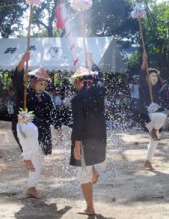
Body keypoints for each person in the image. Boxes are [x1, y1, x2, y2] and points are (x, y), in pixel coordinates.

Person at [70, 51, 106, 216]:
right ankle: (94, 171)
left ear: (78, 82)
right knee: (88, 166)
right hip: (99, 138)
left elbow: (78, 124)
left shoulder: (78, 98)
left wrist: (76, 145)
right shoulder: (99, 92)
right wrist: (92, 60)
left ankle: (90, 208)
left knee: (83, 177)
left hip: (84, 140)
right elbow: (100, 78)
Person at [139, 52, 169, 170]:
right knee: (161, 117)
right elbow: (141, 74)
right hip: (144, 115)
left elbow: (158, 107)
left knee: (155, 140)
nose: (155, 78)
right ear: (147, 77)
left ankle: (148, 161)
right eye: (152, 76)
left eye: (156, 76)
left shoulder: (156, 90)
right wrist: (144, 61)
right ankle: (154, 130)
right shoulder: (143, 85)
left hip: (153, 116)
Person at [12, 51, 54, 155]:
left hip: (42, 130)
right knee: (30, 156)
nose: (43, 85)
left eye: (45, 83)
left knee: (40, 157)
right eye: (41, 82)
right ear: (32, 81)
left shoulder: (47, 96)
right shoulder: (24, 92)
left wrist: (57, 127)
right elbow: (17, 78)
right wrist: (23, 60)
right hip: (25, 128)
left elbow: (49, 116)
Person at [17, 110, 44, 199]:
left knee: (35, 169)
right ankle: (31, 189)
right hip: (32, 151)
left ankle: (31, 188)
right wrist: (27, 157)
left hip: (29, 151)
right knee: (36, 169)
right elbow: (31, 143)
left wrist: (26, 156)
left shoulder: (19, 125)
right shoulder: (31, 127)